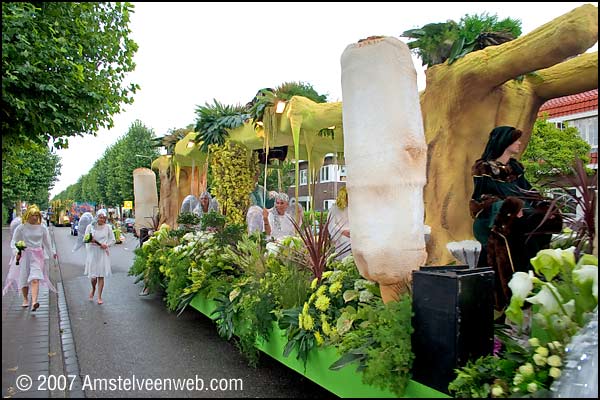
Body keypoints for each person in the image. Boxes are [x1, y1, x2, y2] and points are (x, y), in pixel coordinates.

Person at [469, 126, 562, 310]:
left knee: (542, 223)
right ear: (505, 142)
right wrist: (509, 207)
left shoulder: (515, 168)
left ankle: (531, 286)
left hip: (521, 218)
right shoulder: (485, 168)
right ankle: (509, 298)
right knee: (512, 239)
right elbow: (481, 198)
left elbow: (530, 193)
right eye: (515, 140)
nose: (519, 143)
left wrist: (545, 206)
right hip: (497, 220)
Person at [3, 205, 57, 310]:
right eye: (32, 215)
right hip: (24, 255)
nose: (35, 217)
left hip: (37, 255)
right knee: (23, 277)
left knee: (35, 277)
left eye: (36, 215)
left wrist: (52, 253)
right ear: (28, 215)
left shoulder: (42, 227)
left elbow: (47, 243)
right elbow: (14, 241)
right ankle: (25, 299)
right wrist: (16, 251)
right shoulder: (21, 227)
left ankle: (35, 301)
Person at [83, 209, 115, 304]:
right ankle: (93, 288)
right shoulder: (90, 227)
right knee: (93, 277)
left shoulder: (108, 227)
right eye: (100, 217)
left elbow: (113, 240)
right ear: (97, 217)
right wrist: (90, 241)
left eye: (104, 218)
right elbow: (85, 239)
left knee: (101, 275)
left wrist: (107, 245)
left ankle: (99, 296)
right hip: (93, 252)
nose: (102, 220)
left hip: (102, 253)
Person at [327, 186, 352, 260]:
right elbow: (331, 224)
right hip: (342, 239)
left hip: (353, 238)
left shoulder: (353, 207)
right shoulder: (334, 209)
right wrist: (342, 231)